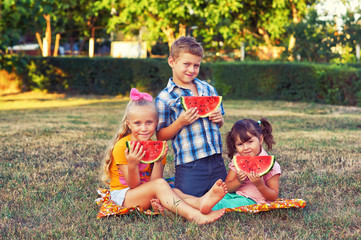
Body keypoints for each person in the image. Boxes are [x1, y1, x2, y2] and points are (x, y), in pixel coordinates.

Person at [100, 88, 227, 224]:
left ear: (156, 123)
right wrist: (132, 164)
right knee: (162, 185)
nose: (144, 128)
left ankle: (199, 202)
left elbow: (155, 180)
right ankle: (194, 216)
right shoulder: (122, 147)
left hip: (145, 192)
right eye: (138, 123)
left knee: (173, 189)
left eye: (149, 122)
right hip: (124, 196)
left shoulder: (157, 146)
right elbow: (133, 185)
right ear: (129, 124)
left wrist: (158, 162)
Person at [155, 36, 227, 197]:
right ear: (172, 62)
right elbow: (160, 136)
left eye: (196, 65)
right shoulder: (164, 98)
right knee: (187, 200)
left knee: (224, 198)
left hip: (216, 161)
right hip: (189, 164)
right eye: (186, 64)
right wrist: (180, 123)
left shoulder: (208, 89)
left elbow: (219, 123)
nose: (191, 69)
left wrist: (219, 120)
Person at [212, 118, 281, 210]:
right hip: (234, 195)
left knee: (220, 204)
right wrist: (239, 181)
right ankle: (194, 204)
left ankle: (196, 210)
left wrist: (260, 185)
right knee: (212, 198)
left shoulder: (273, 166)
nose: (245, 148)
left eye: (250, 142)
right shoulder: (238, 159)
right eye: (240, 144)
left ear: (260, 139)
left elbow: (273, 197)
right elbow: (227, 187)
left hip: (252, 200)